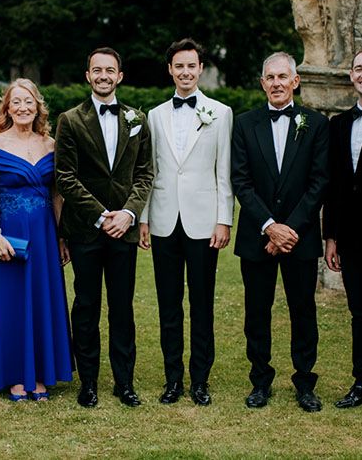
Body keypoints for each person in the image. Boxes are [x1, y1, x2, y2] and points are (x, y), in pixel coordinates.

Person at [55, 47, 153, 408]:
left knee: (122, 307)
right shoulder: (70, 119)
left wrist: (127, 214)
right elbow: (64, 176)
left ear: (120, 76)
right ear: (88, 76)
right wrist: (100, 215)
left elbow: (145, 174)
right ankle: (89, 382)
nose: (103, 76)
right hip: (85, 229)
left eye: (110, 70)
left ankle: (124, 383)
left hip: (124, 230)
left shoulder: (137, 118)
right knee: (86, 305)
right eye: (97, 70)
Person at [231, 51, 329, 412]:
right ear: (262, 83)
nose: (276, 83)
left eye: (282, 76)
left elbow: (319, 182)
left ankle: (305, 381)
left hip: (299, 237)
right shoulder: (244, 124)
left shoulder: (315, 124)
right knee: (257, 310)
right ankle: (260, 380)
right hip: (258, 234)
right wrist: (271, 227)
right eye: (269, 77)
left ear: (295, 81)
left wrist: (290, 229)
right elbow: (240, 181)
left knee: (303, 309)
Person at [139, 38, 233, 407]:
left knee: (202, 303)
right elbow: (151, 171)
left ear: (200, 68)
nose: (185, 72)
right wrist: (144, 218)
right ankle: (172, 379)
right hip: (163, 219)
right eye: (179, 66)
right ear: (170, 70)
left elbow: (223, 171)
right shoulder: (155, 115)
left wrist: (223, 219)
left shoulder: (221, 113)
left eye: (191, 66)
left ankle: (200, 381)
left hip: (203, 221)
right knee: (168, 303)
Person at [0, 79, 73, 401]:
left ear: (37, 106)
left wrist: (62, 237)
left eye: (28, 102)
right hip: (10, 236)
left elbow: (57, 194)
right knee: (13, 302)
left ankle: (42, 372)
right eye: (15, 102)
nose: (22, 107)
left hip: (45, 236)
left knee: (42, 300)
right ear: (6, 108)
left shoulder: (51, 144)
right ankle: (16, 375)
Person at [324, 50, 362, 409]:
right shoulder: (339, 124)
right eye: (359, 68)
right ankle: (360, 380)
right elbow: (335, 185)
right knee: (359, 310)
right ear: (351, 75)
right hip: (350, 236)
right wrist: (331, 237)